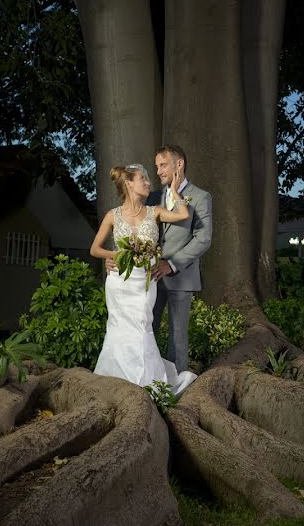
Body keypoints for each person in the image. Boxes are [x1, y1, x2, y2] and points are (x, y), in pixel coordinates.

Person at [90, 163, 197, 394]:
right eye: (143, 179)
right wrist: (114, 255)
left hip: (145, 281)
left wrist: (176, 190)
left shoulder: (154, 212)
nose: (148, 183)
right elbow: (95, 249)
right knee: (118, 328)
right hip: (119, 281)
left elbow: (183, 213)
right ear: (129, 183)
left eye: (149, 179)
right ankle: (114, 382)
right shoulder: (113, 215)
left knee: (141, 326)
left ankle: (146, 383)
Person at [149, 145, 213, 373]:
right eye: (157, 166)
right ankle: (150, 378)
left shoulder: (200, 197)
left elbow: (203, 239)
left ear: (179, 164)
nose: (158, 171)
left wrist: (172, 264)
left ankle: (177, 388)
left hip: (181, 275)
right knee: (148, 330)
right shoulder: (154, 197)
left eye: (163, 165)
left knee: (177, 337)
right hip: (151, 276)